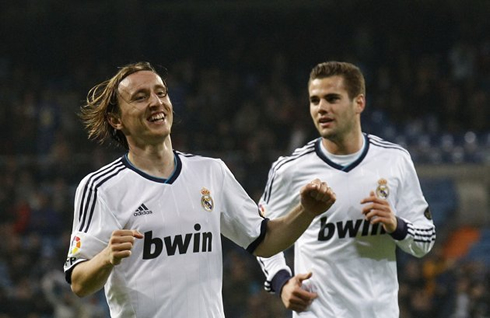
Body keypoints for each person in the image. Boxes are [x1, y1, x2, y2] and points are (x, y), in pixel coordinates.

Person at [63, 61, 336, 318]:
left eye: (161, 93)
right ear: (116, 120)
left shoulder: (210, 172)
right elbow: (79, 283)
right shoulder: (101, 187)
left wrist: (307, 211)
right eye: (140, 97)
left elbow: (264, 241)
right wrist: (106, 257)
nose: (156, 102)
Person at [257, 61, 436, 317]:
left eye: (332, 98)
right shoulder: (290, 170)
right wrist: (281, 282)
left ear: (359, 103)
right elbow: (260, 237)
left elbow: (425, 239)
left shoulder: (394, 161)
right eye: (315, 100)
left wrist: (397, 226)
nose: (321, 108)